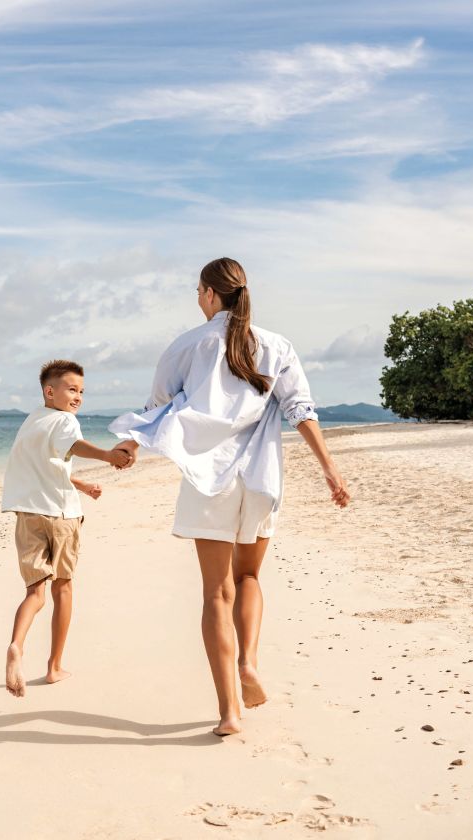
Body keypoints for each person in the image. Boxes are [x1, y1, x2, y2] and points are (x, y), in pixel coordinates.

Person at [109, 257, 350, 736]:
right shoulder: (278, 346)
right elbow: (301, 410)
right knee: (249, 578)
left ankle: (229, 713)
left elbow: (156, 409)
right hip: (260, 477)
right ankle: (249, 661)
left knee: (215, 593)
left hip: (208, 479)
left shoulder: (186, 345)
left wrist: (126, 447)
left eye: (197, 291)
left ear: (208, 293)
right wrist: (330, 469)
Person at [2, 359, 131, 697]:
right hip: (60, 517)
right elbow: (73, 447)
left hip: (28, 515)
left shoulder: (32, 422)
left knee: (34, 593)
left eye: (81, 391)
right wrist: (109, 455)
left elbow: (48, 467)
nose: (78, 397)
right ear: (50, 391)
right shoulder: (65, 421)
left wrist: (84, 486)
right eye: (71, 389)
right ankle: (54, 667)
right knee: (63, 589)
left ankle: (16, 644)